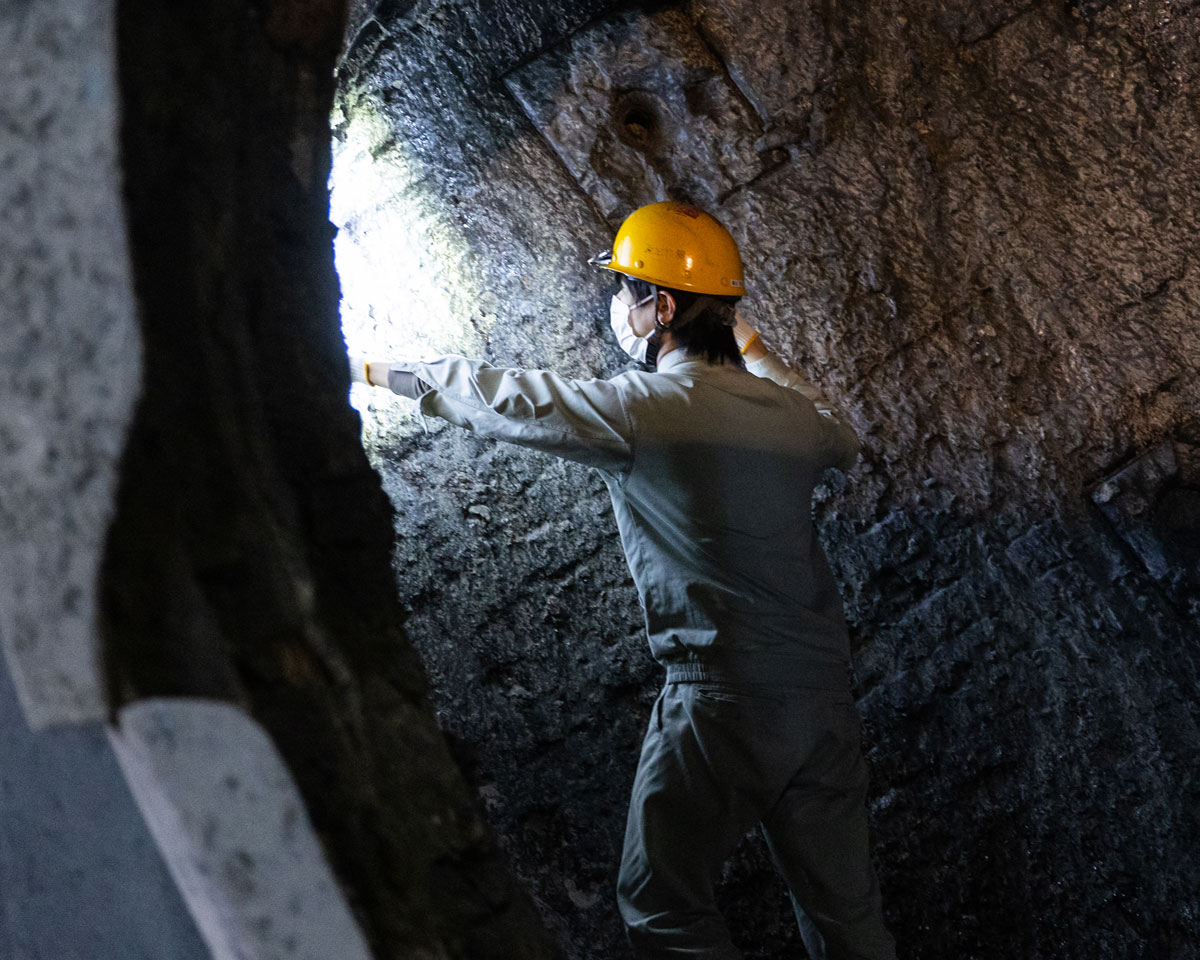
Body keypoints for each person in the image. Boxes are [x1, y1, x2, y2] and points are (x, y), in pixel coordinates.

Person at [350, 201, 896, 959]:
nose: (619, 306)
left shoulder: (643, 410)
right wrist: (754, 346)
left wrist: (370, 368)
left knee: (662, 905)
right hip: (823, 698)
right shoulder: (792, 419)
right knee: (846, 917)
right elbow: (840, 427)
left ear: (661, 307)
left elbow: (506, 397)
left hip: (722, 699)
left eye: (627, 291)